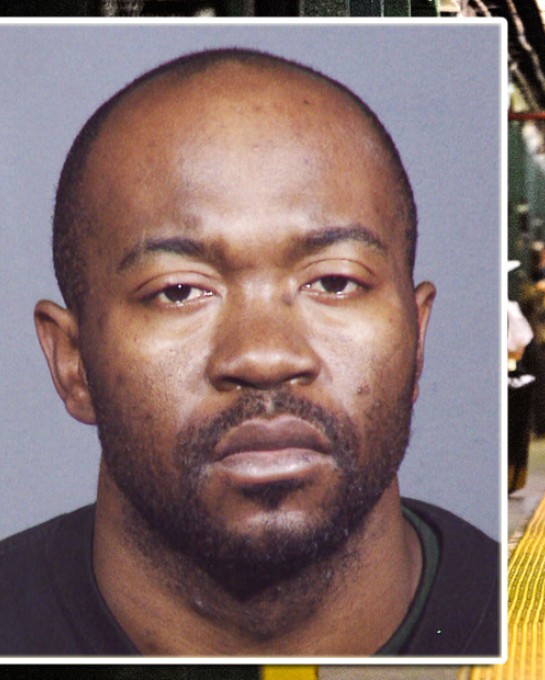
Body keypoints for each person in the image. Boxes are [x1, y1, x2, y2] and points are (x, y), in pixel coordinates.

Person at [0, 48, 499, 657]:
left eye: (335, 282)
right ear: (72, 362)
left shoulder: (535, 632)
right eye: (179, 291)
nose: (265, 357)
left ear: (417, 340)